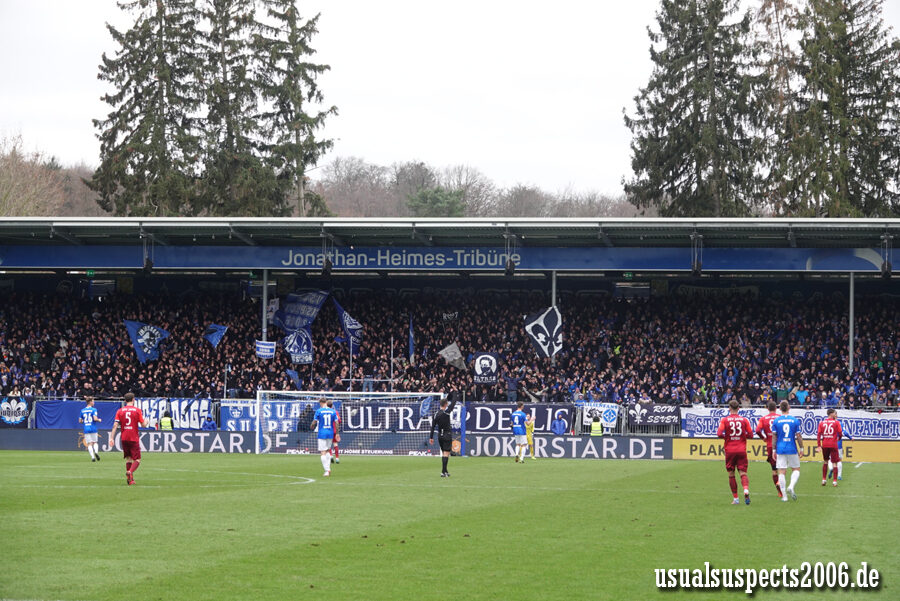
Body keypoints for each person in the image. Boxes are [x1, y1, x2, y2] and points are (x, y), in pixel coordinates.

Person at [716, 400, 752, 505]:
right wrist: (741, 437)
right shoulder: (744, 420)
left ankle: (736, 499)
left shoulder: (725, 420)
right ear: (739, 409)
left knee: (731, 474)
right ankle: (745, 490)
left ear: (729, 408)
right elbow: (750, 434)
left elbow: (719, 433)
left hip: (730, 450)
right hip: (741, 450)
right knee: (743, 473)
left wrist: (727, 437)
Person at [108, 393, 148, 485]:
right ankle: (130, 472)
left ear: (125, 401)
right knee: (137, 459)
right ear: (133, 400)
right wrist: (146, 421)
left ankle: (131, 480)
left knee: (128, 459)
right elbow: (143, 425)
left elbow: (115, 425)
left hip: (124, 437)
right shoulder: (137, 410)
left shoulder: (120, 411)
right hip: (133, 437)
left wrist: (111, 438)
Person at [772, 400, 804, 502]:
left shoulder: (776, 421)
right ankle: (791, 486)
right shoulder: (794, 420)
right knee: (796, 469)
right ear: (789, 408)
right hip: (792, 447)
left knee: (781, 471)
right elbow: (798, 436)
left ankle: (784, 496)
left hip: (780, 448)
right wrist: (801, 448)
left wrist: (773, 449)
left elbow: (774, 436)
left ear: (780, 408)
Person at [754, 400, 783, 498]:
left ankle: (779, 491)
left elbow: (757, 430)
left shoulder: (763, 419)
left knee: (774, 470)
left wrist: (764, 438)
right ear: (776, 408)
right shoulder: (780, 418)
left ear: (767, 409)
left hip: (770, 446)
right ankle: (780, 483)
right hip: (781, 445)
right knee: (782, 468)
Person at [429, 394, 458, 477]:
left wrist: (431, 437)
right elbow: (454, 402)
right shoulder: (446, 412)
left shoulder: (436, 414)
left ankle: (445, 471)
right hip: (447, 434)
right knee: (446, 453)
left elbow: (433, 426)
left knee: (444, 453)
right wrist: (455, 392)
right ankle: (443, 471)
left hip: (439, 436)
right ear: (446, 404)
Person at [311, 399, 338, 476]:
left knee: (322, 452)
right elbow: (336, 422)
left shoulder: (319, 411)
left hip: (322, 433)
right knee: (327, 450)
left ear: (321, 403)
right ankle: (328, 469)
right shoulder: (333, 411)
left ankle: (327, 470)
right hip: (330, 433)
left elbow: (314, 421)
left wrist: (311, 426)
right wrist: (337, 433)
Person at [817, 408, 843, 487]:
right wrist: (839, 438)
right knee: (834, 463)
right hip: (833, 444)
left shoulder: (822, 423)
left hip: (825, 444)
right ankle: (834, 481)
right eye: (835, 413)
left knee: (825, 461)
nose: (836, 415)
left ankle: (824, 480)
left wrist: (819, 445)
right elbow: (840, 433)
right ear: (831, 414)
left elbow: (818, 435)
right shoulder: (836, 422)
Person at [79, 396, 101, 462]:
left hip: (86, 428)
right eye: (93, 401)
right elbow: (95, 419)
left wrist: (85, 422)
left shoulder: (82, 410)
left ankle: (92, 457)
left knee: (89, 444)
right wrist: (99, 420)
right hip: (93, 428)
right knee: (95, 442)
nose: (94, 402)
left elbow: (80, 421)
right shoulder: (94, 409)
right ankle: (96, 452)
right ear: (90, 402)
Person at [326, 399, 341, 464]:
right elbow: (339, 421)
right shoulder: (335, 412)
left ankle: (331, 456)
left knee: (328, 445)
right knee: (335, 444)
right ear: (332, 406)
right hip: (335, 430)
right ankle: (337, 458)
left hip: (328, 430)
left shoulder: (325, 412)